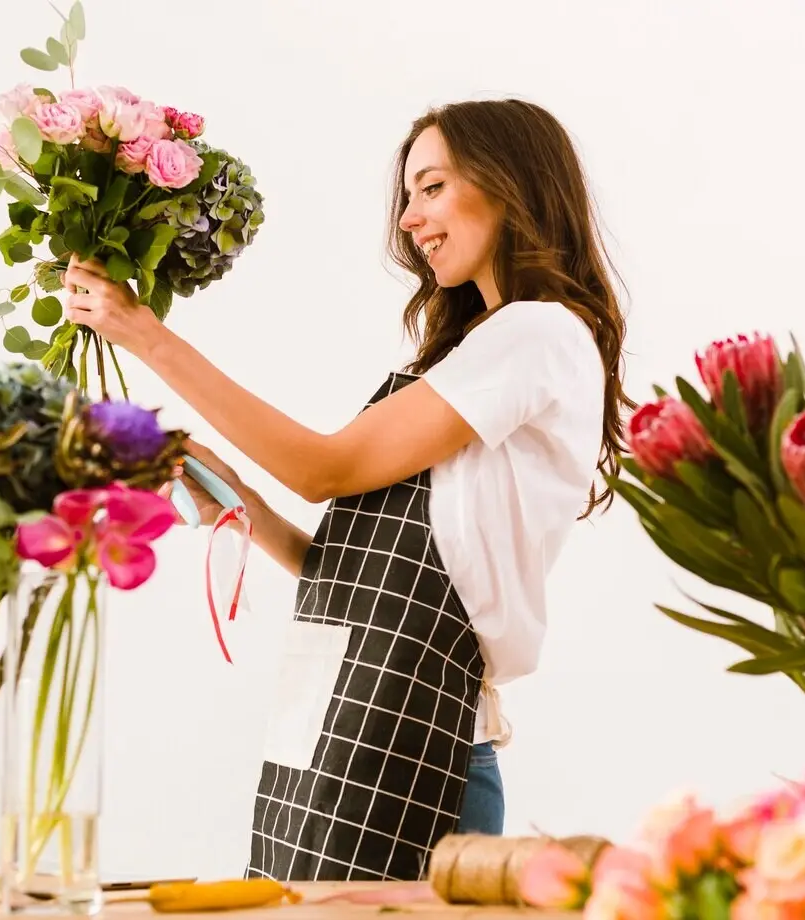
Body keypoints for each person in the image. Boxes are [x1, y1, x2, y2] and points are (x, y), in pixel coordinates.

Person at [62, 98, 633, 882]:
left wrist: (145, 334)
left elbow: (322, 469)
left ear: (508, 184)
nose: (408, 219)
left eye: (430, 187)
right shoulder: (478, 349)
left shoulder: (538, 335)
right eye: (407, 195)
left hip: (419, 744)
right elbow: (368, 579)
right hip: (349, 723)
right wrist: (243, 507)